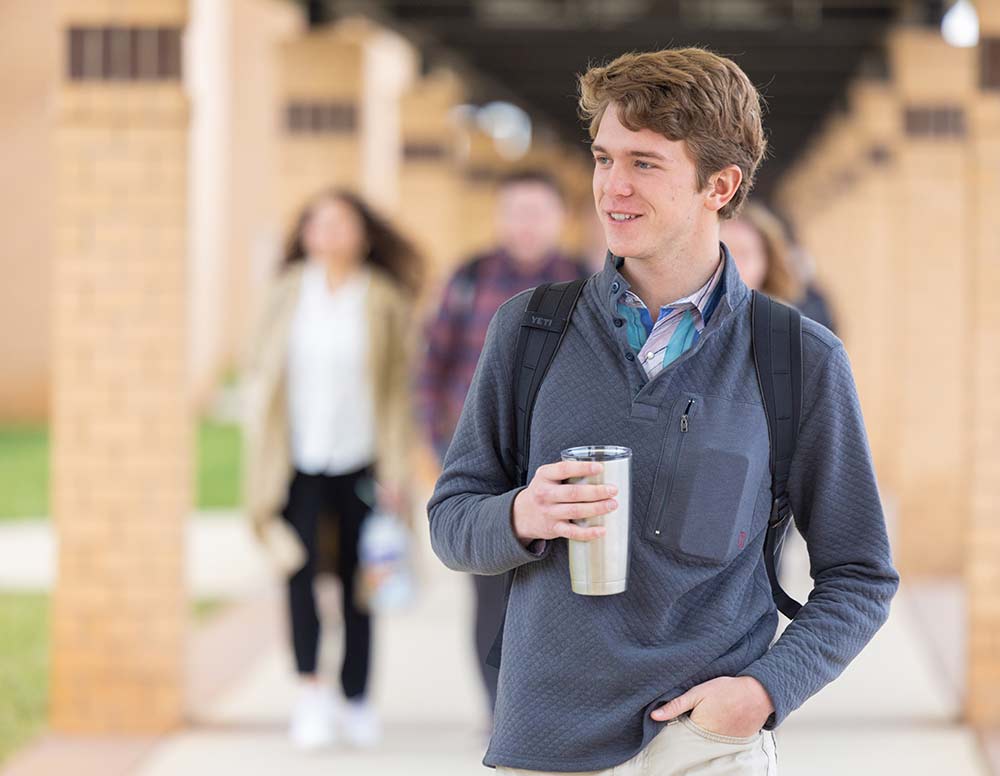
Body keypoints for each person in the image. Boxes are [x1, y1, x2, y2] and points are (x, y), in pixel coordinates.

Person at [427, 47, 899, 775]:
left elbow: (862, 573)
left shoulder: (798, 357)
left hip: (708, 747)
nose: (612, 188)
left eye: (644, 164)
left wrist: (764, 691)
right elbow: (452, 521)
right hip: (546, 742)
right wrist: (521, 514)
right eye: (603, 158)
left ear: (721, 184)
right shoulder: (530, 331)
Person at [243, 188, 422, 751]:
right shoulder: (285, 294)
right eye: (318, 223)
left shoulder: (385, 298)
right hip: (296, 461)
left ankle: (356, 697)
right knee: (297, 574)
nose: (329, 233)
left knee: (359, 582)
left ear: (363, 235)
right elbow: (262, 374)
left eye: (341, 223)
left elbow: (398, 391)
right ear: (305, 234)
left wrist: (396, 469)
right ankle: (310, 694)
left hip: (364, 462)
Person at [417, 168, 590, 728]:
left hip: (562, 469)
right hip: (485, 468)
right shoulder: (469, 280)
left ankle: (556, 708)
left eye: (538, 212)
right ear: (498, 217)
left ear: (560, 219)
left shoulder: (587, 283)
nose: (527, 224)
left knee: (563, 595)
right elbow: (431, 370)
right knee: (490, 599)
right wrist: (444, 448)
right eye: (515, 211)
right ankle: (503, 714)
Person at [721, 202, 837, 332]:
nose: (733, 263)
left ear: (767, 261)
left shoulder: (791, 328)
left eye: (743, 253)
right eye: (723, 250)